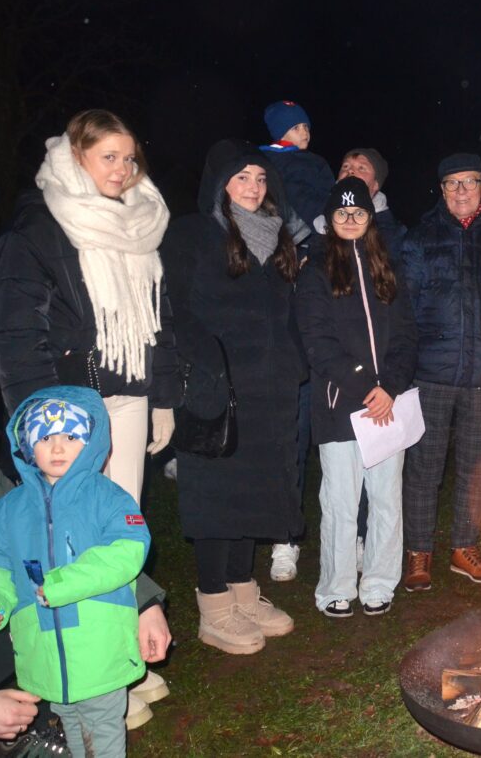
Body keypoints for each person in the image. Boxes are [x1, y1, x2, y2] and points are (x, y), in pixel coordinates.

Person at [0, 108, 178, 719]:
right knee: (69, 538)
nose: (122, 169)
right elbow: (17, 332)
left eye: (129, 157)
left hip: (128, 398)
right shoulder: (38, 229)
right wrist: (42, 422)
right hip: (67, 413)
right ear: (77, 157)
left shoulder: (144, 223)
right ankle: (93, 686)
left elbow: (160, 320)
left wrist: (165, 396)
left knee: (118, 528)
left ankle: (122, 649)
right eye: (108, 157)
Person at [161, 139, 304, 655]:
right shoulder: (192, 233)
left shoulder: (275, 237)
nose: (252, 187)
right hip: (215, 387)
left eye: (261, 179)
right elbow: (176, 307)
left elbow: (284, 314)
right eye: (242, 177)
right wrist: (210, 366)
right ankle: (215, 604)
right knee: (217, 495)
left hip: (269, 389)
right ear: (220, 182)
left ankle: (245, 590)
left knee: (257, 492)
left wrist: (293, 363)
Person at [0, 388, 150, 757]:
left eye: (70, 436)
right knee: (70, 722)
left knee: (103, 726)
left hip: (98, 643)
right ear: (27, 446)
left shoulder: (108, 498)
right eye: (45, 438)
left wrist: (64, 584)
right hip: (43, 650)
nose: (57, 448)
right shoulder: (9, 508)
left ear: (91, 441)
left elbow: (126, 551)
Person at [297, 177, 417, 618]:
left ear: (370, 219)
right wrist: (365, 386)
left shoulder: (388, 269)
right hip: (341, 406)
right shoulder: (315, 271)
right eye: (342, 214)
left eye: (359, 213)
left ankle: (380, 582)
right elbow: (318, 340)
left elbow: (406, 335)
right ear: (329, 221)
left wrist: (391, 387)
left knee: (386, 499)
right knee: (341, 502)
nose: (350, 220)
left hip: (386, 407)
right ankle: (336, 586)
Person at [401, 153, 481, 591]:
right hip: (431, 372)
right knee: (424, 467)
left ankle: (464, 547)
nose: (461, 191)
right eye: (452, 183)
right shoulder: (421, 238)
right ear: (442, 190)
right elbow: (403, 305)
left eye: (469, 182)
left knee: (476, 466)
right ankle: (418, 553)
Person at [260, 100, 329, 585]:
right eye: (299, 126)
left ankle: (351, 535)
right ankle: (284, 538)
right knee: (288, 440)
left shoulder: (309, 167)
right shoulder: (266, 171)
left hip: (323, 324)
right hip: (284, 337)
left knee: (338, 444)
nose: (306, 132)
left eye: (306, 124)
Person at [259, 99, 334, 229]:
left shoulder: (316, 161)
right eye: (296, 128)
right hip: (294, 229)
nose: (304, 132)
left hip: (323, 224)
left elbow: (331, 192)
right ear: (280, 133)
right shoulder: (265, 160)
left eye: (306, 126)